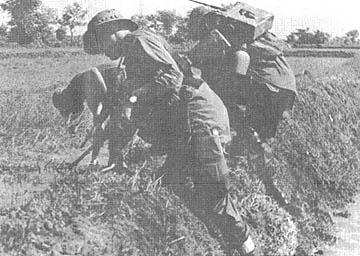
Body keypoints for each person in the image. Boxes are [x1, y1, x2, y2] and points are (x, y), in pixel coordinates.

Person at [83, 9, 257, 256]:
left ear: (110, 31)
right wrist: (115, 152)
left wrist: (132, 99)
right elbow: (139, 110)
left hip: (200, 120)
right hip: (186, 121)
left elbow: (171, 76)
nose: (103, 52)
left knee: (214, 192)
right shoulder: (133, 52)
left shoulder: (137, 41)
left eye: (100, 44)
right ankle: (213, 243)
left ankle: (248, 250)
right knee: (172, 181)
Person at [186, 6, 297, 206]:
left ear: (204, 23)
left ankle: (264, 180)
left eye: (193, 24)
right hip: (282, 87)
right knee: (254, 130)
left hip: (268, 90)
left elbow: (235, 77)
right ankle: (263, 176)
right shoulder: (247, 37)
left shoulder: (223, 40)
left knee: (246, 128)